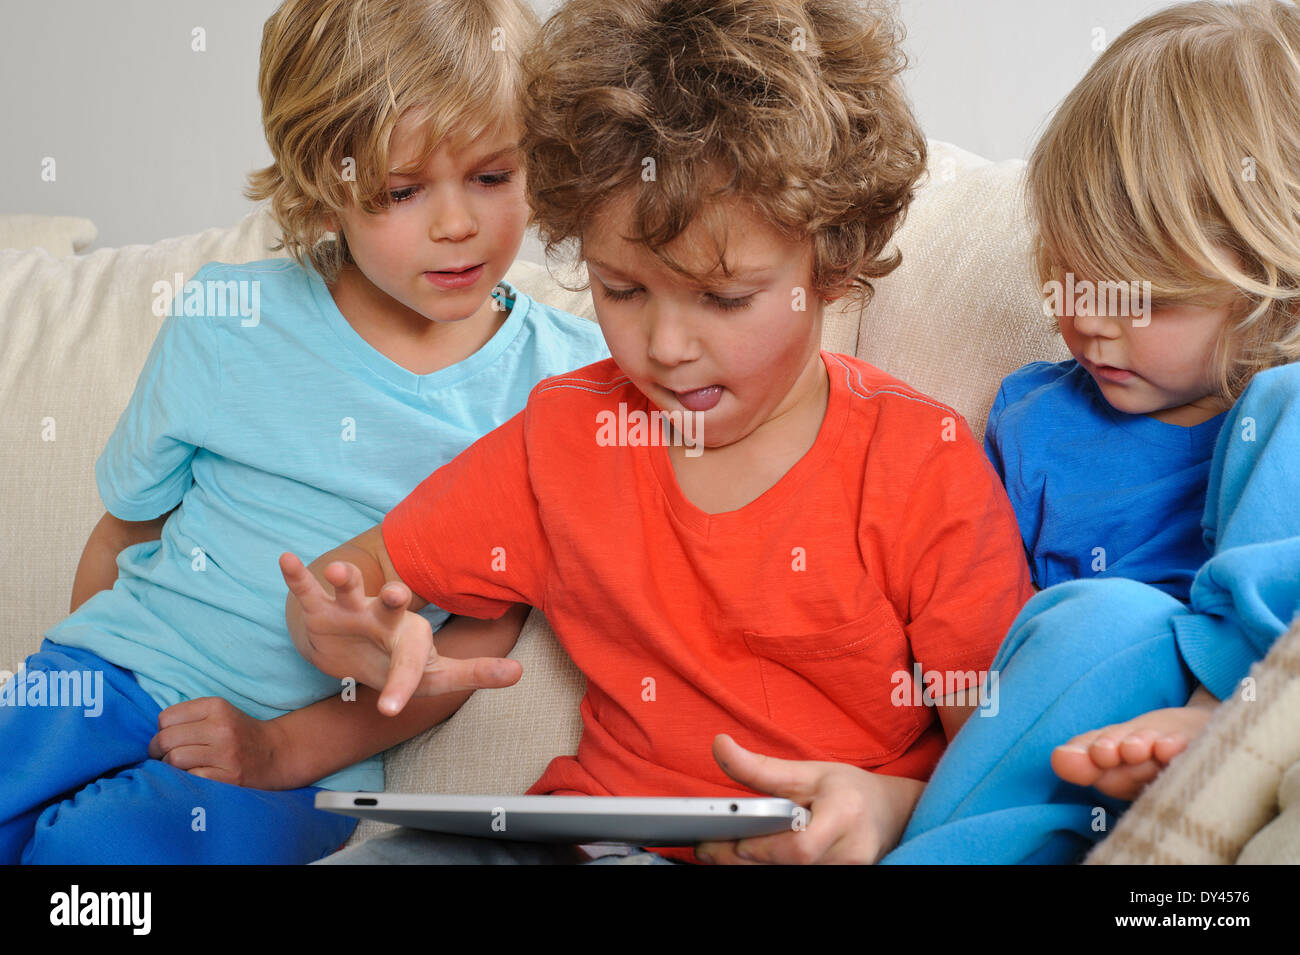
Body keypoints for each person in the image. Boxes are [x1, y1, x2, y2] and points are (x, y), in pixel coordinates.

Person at [282, 0, 1035, 866]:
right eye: (623, 290)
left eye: (723, 297)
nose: (666, 349)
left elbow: (1004, 763)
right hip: (589, 839)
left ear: (832, 263)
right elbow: (356, 580)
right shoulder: (568, 435)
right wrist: (340, 631)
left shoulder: (917, 465)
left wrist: (889, 804)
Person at [0, 0, 609, 864]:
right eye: (403, 191)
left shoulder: (560, 386)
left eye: (491, 175)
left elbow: (473, 638)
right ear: (327, 189)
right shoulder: (228, 319)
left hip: (296, 764)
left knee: (99, 860)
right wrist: (80, 705)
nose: (456, 224)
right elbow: (125, 529)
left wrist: (278, 747)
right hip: (108, 675)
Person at [881, 0, 1300, 864]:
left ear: (1271, 286)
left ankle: (1226, 696)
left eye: (1141, 296)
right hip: (1064, 775)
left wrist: (1209, 698)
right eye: (1068, 276)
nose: (1090, 322)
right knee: (1105, 622)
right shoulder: (1036, 420)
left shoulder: (1282, 411)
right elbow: (978, 648)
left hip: (1251, 739)